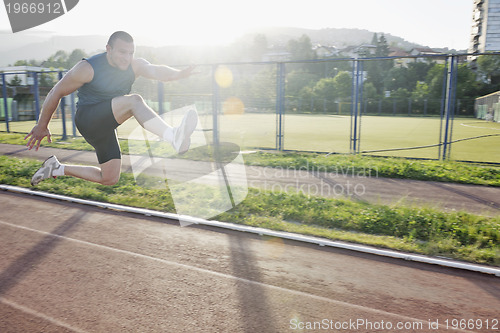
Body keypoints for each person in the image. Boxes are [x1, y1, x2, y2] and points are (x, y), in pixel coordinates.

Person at [25, 31, 198, 186]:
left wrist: (179, 74)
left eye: (131, 53)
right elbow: (56, 92)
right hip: (88, 118)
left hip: (106, 126)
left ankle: (56, 168)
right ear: (109, 49)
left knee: (109, 178)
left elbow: (156, 71)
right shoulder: (87, 68)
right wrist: (42, 125)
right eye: (122, 52)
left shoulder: (134, 65)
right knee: (134, 101)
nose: (126, 57)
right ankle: (173, 136)